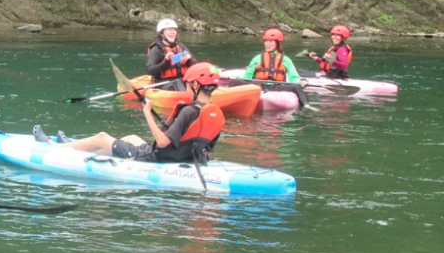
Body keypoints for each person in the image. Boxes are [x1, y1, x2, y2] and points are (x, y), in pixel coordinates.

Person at [33, 63, 226, 164]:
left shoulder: (189, 111)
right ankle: (71, 147)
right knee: (132, 137)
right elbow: (203, 146)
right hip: (184, 158)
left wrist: (148, 113)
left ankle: (51, 145)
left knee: (102, 137)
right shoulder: (216, 114)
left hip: (158, 157)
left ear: (195, 84)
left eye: (187, 83)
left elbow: (163, 143)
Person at [239, 27, 310, 107]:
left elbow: (294, 77)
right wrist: (238, 78)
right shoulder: (257, 58)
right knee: (235, 82)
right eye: (266, 41)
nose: (267, 44)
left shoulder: (286, 60)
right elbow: (247, 76)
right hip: (259, 86)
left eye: (271, 41)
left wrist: (299, 83)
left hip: (278, 87)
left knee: (296, 86)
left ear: (277, 43)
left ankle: (306, 105)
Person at [146, 18, 197, 91]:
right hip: (163, 84)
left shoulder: (181, 47)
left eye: (174, 30)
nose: (172, 32)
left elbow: (195, 66)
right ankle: (188, 100)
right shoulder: (156, 49)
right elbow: (149, 70)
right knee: (177, 82)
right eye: (169, 30)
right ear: (162, 33)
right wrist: (166, 62)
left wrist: (190, 60)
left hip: (183, 82)